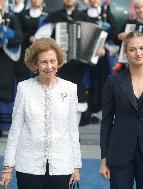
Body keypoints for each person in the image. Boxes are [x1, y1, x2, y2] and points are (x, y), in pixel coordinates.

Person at [1, 37, 82, 189]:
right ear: (35, 64)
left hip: (61, 165)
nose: (49, 66)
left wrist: (76, 165)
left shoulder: (70, 89)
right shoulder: (24, 88)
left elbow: (72, 130)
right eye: (43, 62)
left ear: (58, 61)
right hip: (28, 164)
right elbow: (15, 130)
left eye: (53, 61)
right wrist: (8, 167)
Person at [99, 31, 143, 189]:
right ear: (125, 52)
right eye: (132, 49)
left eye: (142, 48)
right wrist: (104, 159)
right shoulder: (113, 81)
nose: (138, 53)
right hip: (119, 152)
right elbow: (106, 123)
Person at [77, 0, 118, 125]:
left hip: (101, 56)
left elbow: (114, 32)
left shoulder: (106, 13)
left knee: (101, 83)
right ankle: (86, 112)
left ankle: (98, 112)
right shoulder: (82, 14)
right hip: (85, 55)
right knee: (86, 82)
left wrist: (104, 32)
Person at [0, 0, 23, 135]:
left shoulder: (11, 17)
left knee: (5, 92)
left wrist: (7, 39)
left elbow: (19, 36)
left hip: (6, 61)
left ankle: (5, 125)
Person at [16, 0, 47, 83]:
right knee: (23, 80)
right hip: (24, 53)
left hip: (42, 54)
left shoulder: (48, 15)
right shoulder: (22, 15)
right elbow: (18, 33)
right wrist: (28, 38)